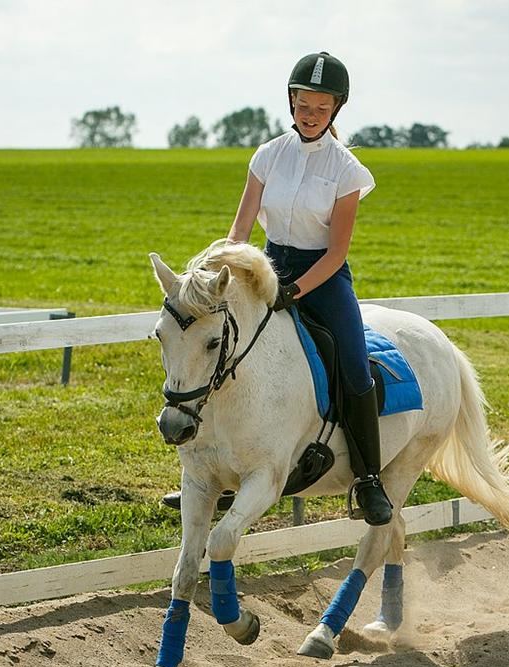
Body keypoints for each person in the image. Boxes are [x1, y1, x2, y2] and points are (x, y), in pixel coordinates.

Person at [165, 51, 392, 526]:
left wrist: (296, 291)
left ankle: (369, 480)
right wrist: (213, 275)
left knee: (353, 363)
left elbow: (336, 253)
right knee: (220, 349)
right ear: (291, 103)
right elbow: (240, 232)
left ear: (335, 112)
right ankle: (216, 472)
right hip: (262, 266)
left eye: (320, 109)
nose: (310, 116)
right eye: (303, 106)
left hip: (322, 277)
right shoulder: (268, 155)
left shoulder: (348, 171)